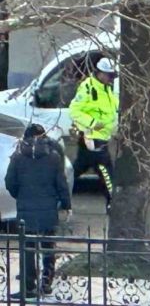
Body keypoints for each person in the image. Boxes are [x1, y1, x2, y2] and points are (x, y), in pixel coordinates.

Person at [5, 124, 72, 300]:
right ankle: (46, 284)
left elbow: (10, 182)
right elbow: (61, 184)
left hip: (26, 210)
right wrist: (66, 204)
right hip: (48, 209)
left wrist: (21, 195)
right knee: (48, 247)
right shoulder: (54, 156)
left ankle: (28, 287)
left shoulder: (18, 156)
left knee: (27, 249)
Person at [69, 57, 118, 211]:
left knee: (77, 169)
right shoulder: (88, 87)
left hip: (101, 138)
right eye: (109, 75)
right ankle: (112, 203)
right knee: (106, 173)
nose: (111, 78)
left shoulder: (107, 88)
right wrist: (92, 124)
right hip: (92, 138)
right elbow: (74, 110)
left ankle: (58, 191)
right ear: (100, 73)